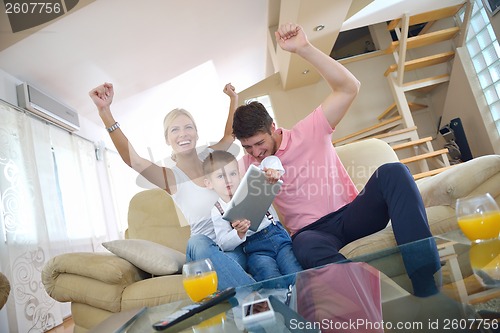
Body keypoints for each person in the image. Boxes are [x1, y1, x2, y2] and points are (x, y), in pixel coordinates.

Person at [232, 23, 441, 297]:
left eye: (259, 144)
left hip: (352, 215)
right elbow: (248, 217)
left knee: (394, 171)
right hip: (312, 233)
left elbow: (349, 88)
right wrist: (261, 188)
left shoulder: (310, 131)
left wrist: (304, 49)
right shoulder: (251, 165)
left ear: (273, 127)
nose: (255, 153)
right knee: (303, 246)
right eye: (248, 148)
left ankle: (425, 282)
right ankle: (372, 301)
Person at [89, 82, 255, 290]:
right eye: (174, 130)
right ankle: (263, 295)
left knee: (237, 263)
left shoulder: (211, 158)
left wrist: (234, 99)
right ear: (167, 139)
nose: (183, 134)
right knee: (198, 242)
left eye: (188, 127)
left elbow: (230, 136)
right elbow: (134, 161)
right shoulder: (171, 177)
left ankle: (248, 297)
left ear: (196, 133)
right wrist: (105, 111)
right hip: (201, 251)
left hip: (228, 246)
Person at [202, 150, 302, 282]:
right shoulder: (217, 210)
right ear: (209, 183)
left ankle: (305, 300)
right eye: (220, 176)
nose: (228, 180)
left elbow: (270, 160)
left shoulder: (251, 185)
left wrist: (272, 170)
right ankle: (281, 300)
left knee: (296, 273)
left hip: (279, 238)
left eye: (232, 173)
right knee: (270, 278)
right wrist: (238, 233)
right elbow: (223, 243)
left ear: (239, 174)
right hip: (256, 251)